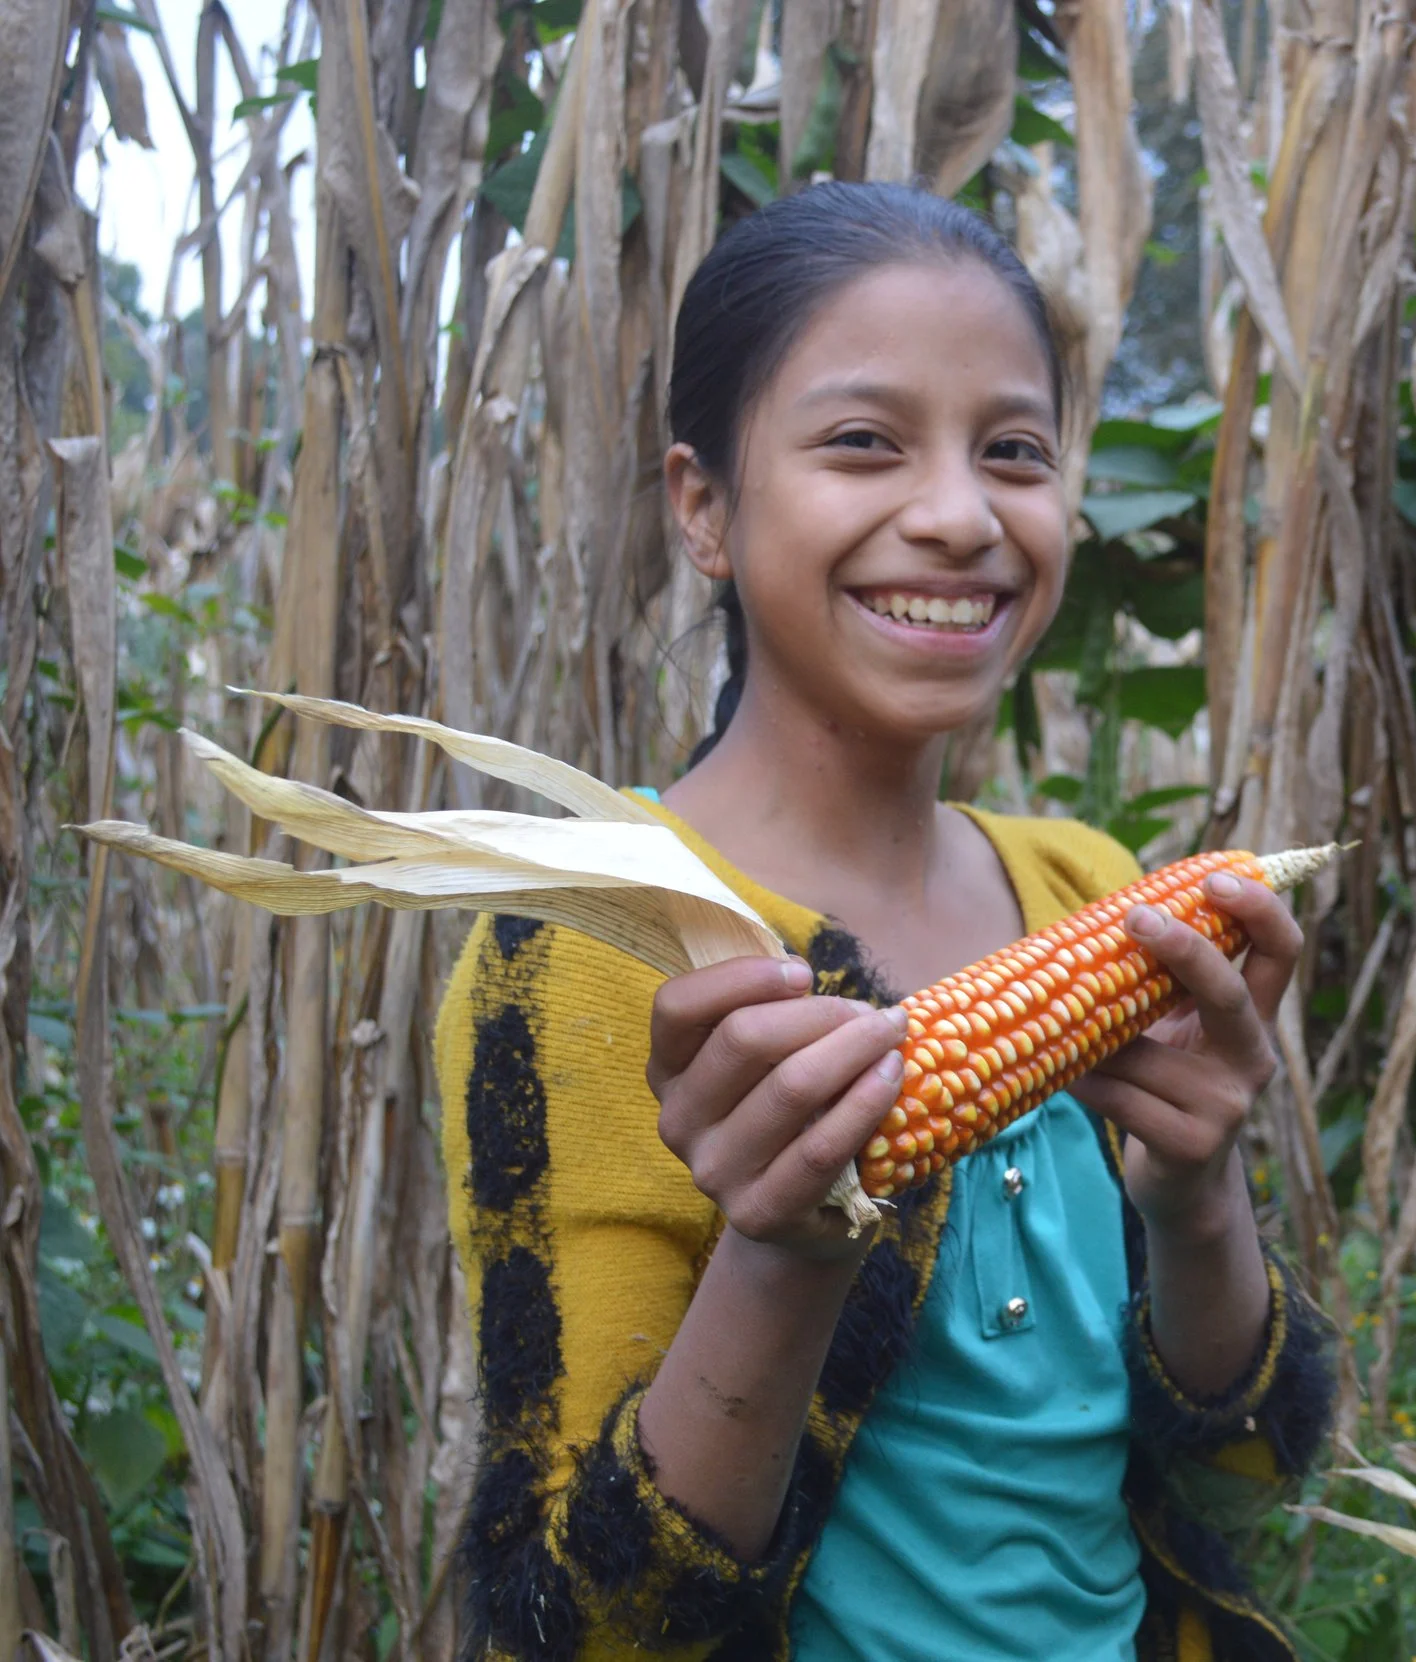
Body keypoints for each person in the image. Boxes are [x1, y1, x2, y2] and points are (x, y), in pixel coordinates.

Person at [434, 181, 1333, 1662]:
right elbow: (583, 1625)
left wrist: (1195, 1196)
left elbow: (1236, 1465)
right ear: (705, 507)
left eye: (1016, 453)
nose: (961, 517)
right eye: (864, 443)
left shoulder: (1082, 881)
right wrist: (783, 1252)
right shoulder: (586, 948)